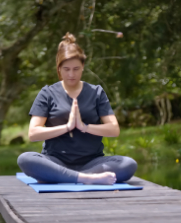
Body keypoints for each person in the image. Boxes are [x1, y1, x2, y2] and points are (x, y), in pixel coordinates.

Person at [17, 32, 137, 185]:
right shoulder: (47, 93)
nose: (71, 74)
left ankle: (65, 176)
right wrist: (68, 127)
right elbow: (34, 133)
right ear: (59, 68)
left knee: (128, 164)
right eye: (66, 69)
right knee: (25, 159)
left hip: (92, 163)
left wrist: (83, 127)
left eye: (76, 69)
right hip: (56, 161)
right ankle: (84, 178)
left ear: (83, 67)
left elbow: (114, 130)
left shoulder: (96, 92)